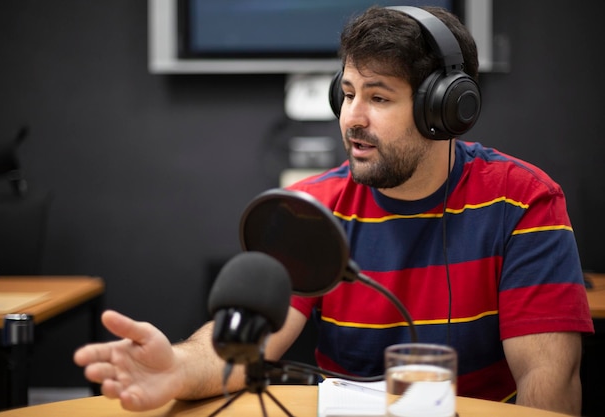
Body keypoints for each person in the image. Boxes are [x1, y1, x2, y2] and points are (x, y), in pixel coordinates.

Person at [74, 6, 594, 416]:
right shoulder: (311, 210)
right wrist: (177, 369)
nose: (353, 118)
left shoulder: (523, 201)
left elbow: (547, 390)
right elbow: (244, 343)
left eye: (379, 98)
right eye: (346, 94)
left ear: (444, 109)